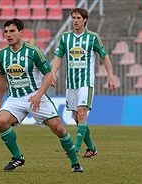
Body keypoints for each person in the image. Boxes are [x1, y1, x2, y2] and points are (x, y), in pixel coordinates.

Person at [0, 18, 83, 173]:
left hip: (36, 95)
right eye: (6, 31)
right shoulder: (1, 55)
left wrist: (39, 95)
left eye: (12, 31)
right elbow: (1, 78)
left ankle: (75, 163)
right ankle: (17, 157)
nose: (8, 35)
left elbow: (48, 75)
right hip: (15, 98)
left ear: (21, 32)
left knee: (58, 128)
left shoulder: (34, 52)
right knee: (1, 122)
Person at [51, 8, 115, 158]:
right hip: (71, 83)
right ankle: (91, 148)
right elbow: (59, 57)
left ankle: (76, 148)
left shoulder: (93, 37)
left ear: (85, 20)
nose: (75, 20)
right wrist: (52, 73)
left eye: (78, 18)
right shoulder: (65, 37)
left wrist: (110, 76)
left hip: (86, 82)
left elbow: (104, 57)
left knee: (82, 113)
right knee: (76, 117)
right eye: (73, 18)